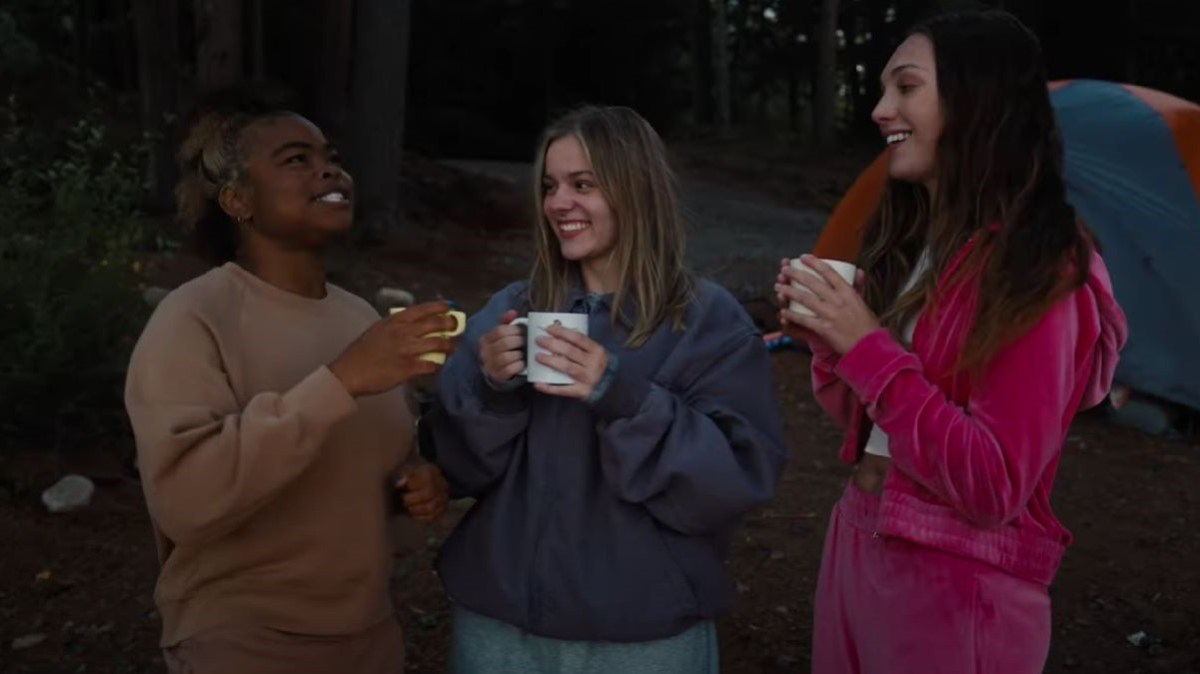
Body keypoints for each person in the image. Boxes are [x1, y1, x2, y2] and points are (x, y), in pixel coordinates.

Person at [775, 10, 1128, 674]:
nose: (881, 110)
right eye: (883, 89)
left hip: (955, 581)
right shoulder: (923, 244)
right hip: (858, 539)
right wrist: (827, 335)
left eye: (905, 87)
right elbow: (872, 419)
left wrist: (867, 346)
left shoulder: (1040, 270)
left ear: (976, 100)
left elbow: (994, 484)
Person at [427, 105, 788, 673]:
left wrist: (625, 397)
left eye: (583, 184)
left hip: (643, 635)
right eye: (550, 186)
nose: (558, 203)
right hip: (502, 629)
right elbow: (452, 466)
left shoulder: (706, 321)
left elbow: (731, 484)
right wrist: (492, 390)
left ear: (636, 190)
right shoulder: (513, 308)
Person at [124, 89, 455, 674]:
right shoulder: (194, 316)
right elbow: (186, 499)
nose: (329, 168)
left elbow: (362, 467)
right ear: (237, 200)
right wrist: (342, 379)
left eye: (330, 156)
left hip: (369, 636)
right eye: (295, 159)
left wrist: (411, 484)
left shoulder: (358, 318)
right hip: (244, 640)